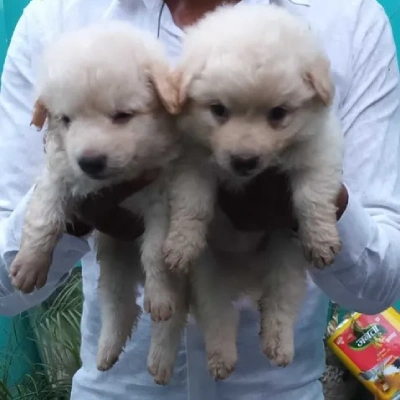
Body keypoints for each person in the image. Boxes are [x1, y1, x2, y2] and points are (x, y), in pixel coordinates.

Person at [0, 0, 399, 398]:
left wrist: (319, 209)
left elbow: (383, 285)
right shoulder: (55, 17)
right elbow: (6, 287)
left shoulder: (350, 18)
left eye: (277, 114)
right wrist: (73, 211)